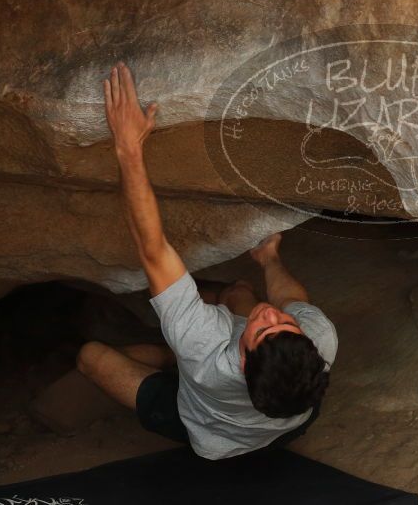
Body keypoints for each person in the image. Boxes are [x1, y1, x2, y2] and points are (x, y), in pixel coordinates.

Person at [76, 62, 337, 460]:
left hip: (208, 430)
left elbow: (153, 249)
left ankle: (168, 358)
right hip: (293, 420)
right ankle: (172, 352)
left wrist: (128, 147)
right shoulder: (319, 342)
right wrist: (269, 260)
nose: (270, 314)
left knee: (89, 356)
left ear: (243, 358)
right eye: (286, 324)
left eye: (263, 330)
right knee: (240, 295)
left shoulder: (203, 348)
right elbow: (291, 300)